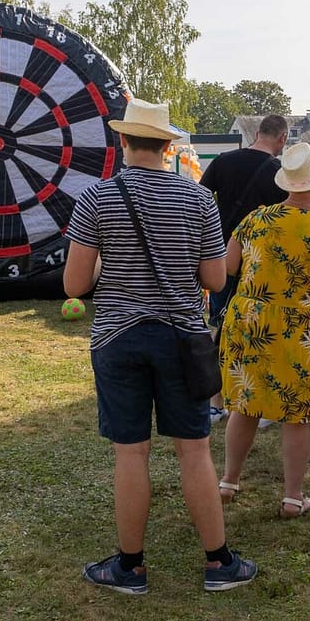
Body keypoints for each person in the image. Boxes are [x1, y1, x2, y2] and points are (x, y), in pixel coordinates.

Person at [62, 98, 258, 594]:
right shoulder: (198, 201)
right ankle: (219, 564)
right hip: (182, 338)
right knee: (194, 453)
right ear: (168, 144)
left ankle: (130, 568)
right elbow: (214, 277)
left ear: (123, 140)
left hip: (117, 337)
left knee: (132, 453)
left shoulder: (96, 199)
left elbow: (74, 284)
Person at [216, 144, 310, 517]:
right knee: (299, 414)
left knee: (245, 404)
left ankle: (228, 481)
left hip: (250, 323)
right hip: (303, 330)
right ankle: (293, 497)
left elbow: (227, 268)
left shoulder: (254, 220)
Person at [200, 114, 289, 321]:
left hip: (221, 252)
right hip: (262, 258)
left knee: (221, 320)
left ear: (257, 134)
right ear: (283, 138)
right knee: (255, 322)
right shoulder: (280, 174)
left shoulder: (223, 160)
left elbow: (200, 198)